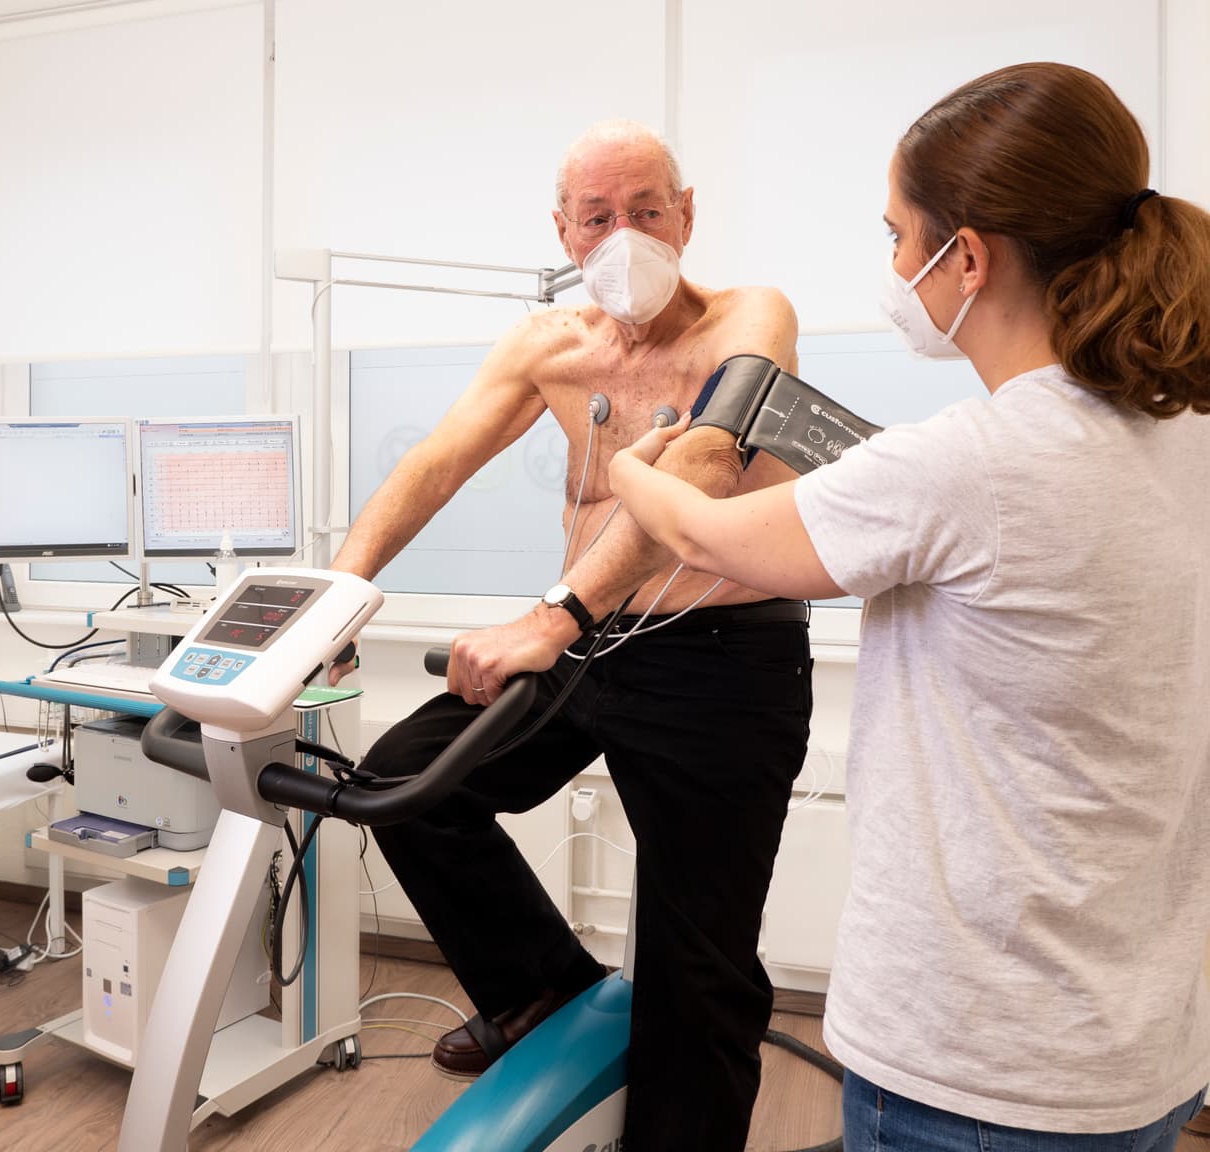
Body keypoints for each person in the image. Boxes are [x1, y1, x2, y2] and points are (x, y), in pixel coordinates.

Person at [608, 63, 1210, 1149]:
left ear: (967, 256)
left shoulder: (968, 464)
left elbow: (701, 533)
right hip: (1137, 1045)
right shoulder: (1181, 427)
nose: (894, 267)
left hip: (975, 1066)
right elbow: (984, 538)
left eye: (899, 238)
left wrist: (633, 466)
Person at [326, 120, 814, 1148]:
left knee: (699, 964)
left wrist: (553, 618)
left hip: (723, 660)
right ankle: (542, 992)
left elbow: (709, 466)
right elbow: (434, 466)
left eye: (646, 209)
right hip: (592, 643)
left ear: (688, 215)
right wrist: (337, 594)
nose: (624, 233)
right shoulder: (549, 347)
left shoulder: (750, 316)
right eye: (598, 217)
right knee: (403, 786)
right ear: (563, 230)